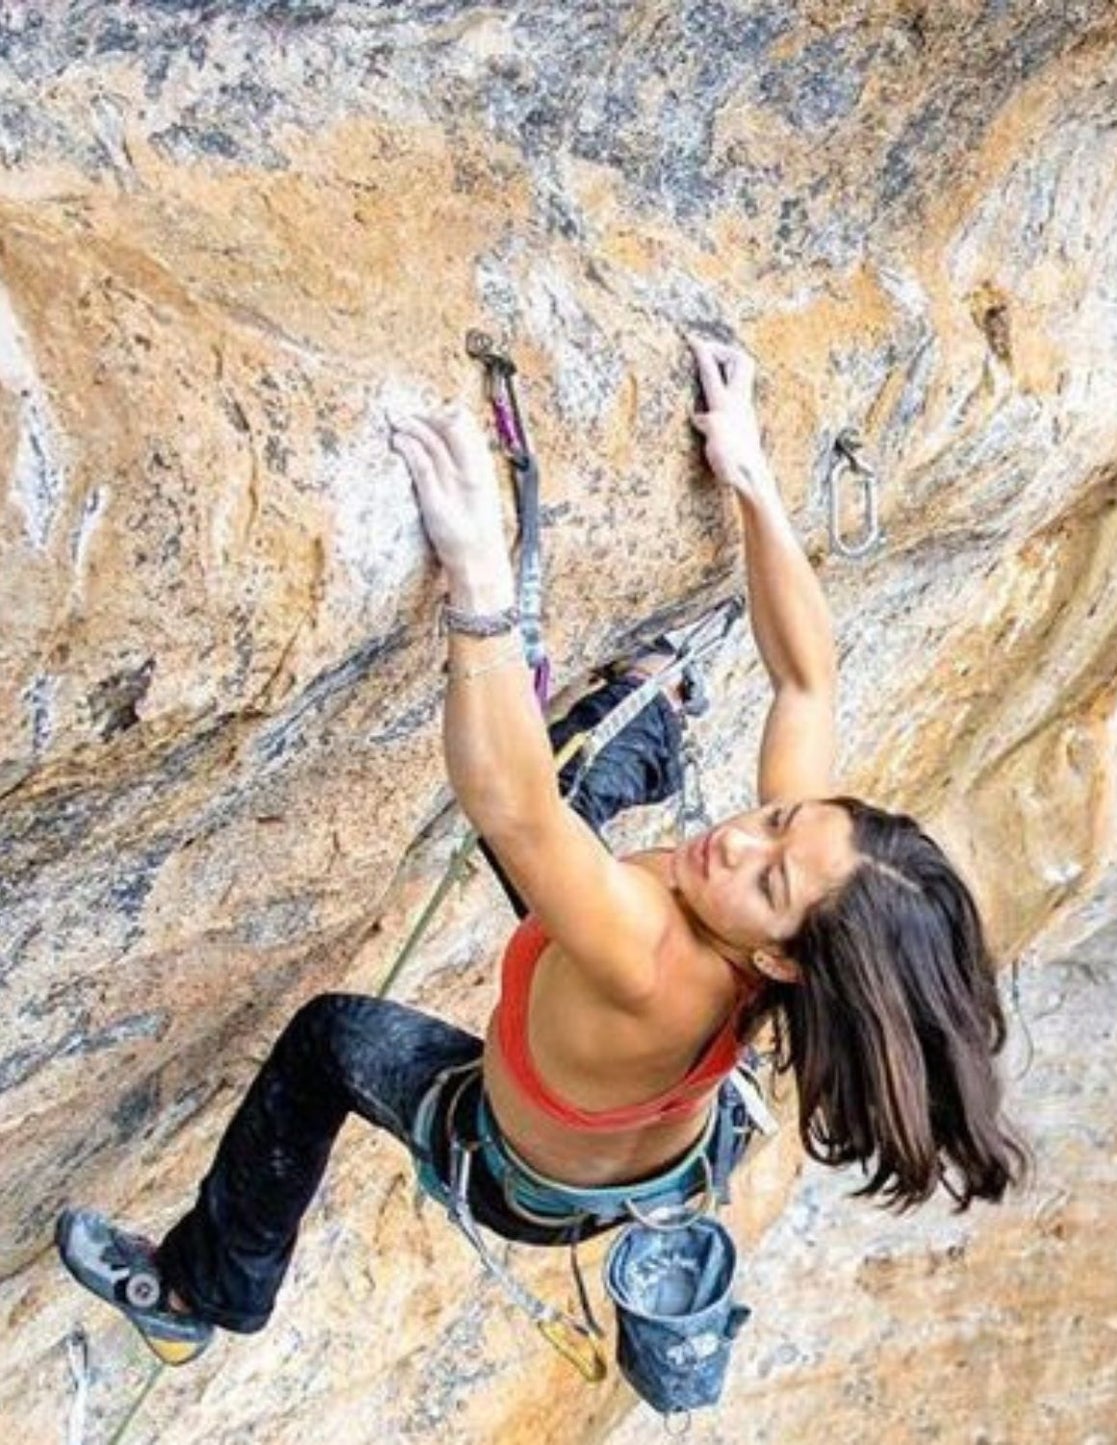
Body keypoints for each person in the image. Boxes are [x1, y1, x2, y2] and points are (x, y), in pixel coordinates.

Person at [57, 336, 1026, 1367]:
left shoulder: (646, 948)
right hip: (652, 1145)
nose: (742, 836)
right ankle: (647, 720)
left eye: (767, 871)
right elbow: (805, 680)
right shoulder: (795, 905)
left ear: (781, 957)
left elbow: (509, 807)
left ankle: (202, 1289)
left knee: (332, 1035)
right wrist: (748, 473)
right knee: (572, 809)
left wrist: (476, 574)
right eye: (783, 819)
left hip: (511, 1166)